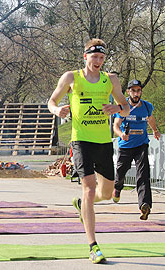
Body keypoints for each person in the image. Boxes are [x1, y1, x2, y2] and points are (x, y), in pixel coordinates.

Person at [48, 38, 130, 264]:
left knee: (105, 194)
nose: (98, 61)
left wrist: (118, 108)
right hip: (81, 141)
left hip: (104, 143)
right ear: (85, 57)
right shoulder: (71, 78)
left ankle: (81, 206)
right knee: (90, 190)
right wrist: (58, 111)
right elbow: (52, 101)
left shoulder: (110, 79)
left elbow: (126, 107)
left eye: (102, 58)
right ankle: (93, 246)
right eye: (94, 57)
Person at [113, 79, 161, 220]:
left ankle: (144, 205)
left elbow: (150, 119)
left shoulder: (146, 106)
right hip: (125, 146)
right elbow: (116, 125)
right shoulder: (122, 106)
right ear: (128, 92)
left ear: (141, 92)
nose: (136, 93)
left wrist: (155, 131)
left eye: (138, 90)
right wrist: (121, 134)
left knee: (143, 175)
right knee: (121, 172)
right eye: (133, 90)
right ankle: (118, 187)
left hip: (141, 145)